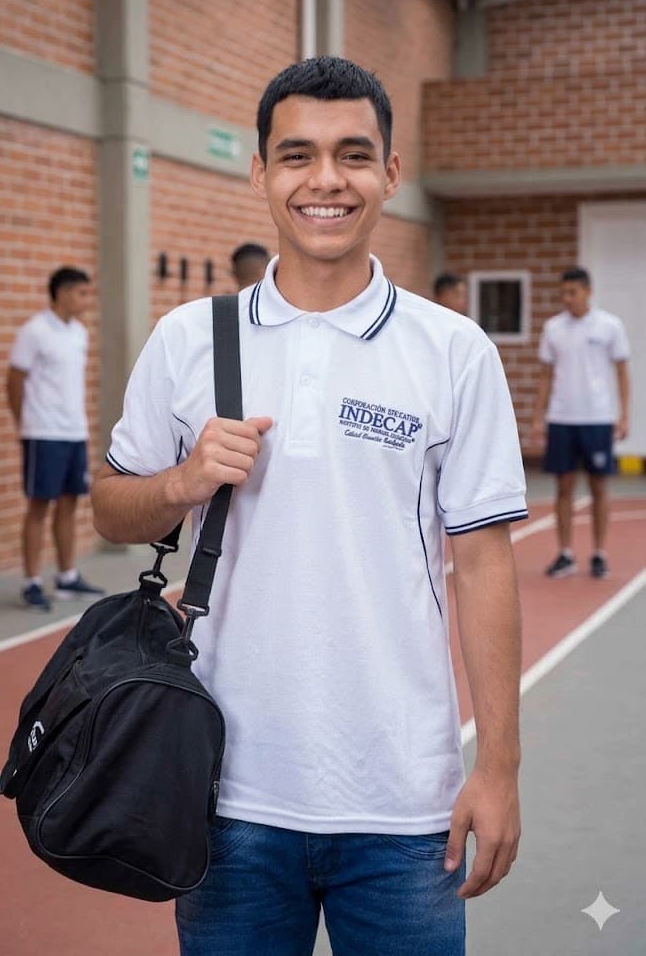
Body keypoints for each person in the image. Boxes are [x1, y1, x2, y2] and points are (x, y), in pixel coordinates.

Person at [92, 56, 527, 956]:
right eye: (297, 156)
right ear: (260, 174)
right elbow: (110, 509)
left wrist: (500, 767)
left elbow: (484, 563)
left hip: (407, 805)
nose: (326, 180)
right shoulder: (186, 341)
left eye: (353, 155)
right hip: (224, 797)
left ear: (391, 175)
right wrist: (180, 483)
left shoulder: (453, 350)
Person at [7, 266, 105, 611]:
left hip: (73, 433)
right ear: (61, 292)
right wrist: (26, 424)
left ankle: (67, 577)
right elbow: (15, 380)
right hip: (43, 433)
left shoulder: (79, 332)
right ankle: (31, 582)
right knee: (38, 506)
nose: (86, 299)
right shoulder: (34, 331)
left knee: (69, 503)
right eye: (81, 292)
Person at [531, 266, 630, 579]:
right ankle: (565, 553)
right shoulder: (553, 328)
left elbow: (622, 371)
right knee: (563, 487)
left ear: (588, 291)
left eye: (572, 292)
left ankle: (599, 553)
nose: (566, 299)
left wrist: (624, 415)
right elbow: (545, 375)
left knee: (599, 486)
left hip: (598, 418)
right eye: (563, 293)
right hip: (562, 418)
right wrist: (538, 416)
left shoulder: (610, 326)